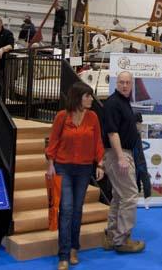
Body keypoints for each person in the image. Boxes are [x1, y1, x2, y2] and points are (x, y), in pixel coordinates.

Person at [46, 82, 104, 270]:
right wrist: (50, 165)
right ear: (77, 97)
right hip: (63, 168)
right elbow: (53, 142)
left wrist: (100, 163)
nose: (90, 99)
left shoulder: (93, 117)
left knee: (77, 210)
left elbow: (97, 142)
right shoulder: (62, 117)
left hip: (84, 169)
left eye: (91, 96)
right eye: (87, 96)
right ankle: (63, 255)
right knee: (67, 209)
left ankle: (73, 248)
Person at [102, 71, 145, 253]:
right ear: (116, 83)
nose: (125, 85)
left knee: (120, 196)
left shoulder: (123, 102)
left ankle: (112, 236)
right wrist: (120, 157)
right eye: (122, 82)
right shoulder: (113, 103)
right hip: (118, 154)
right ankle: (122, 239)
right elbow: (112, 132)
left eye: (128, 82)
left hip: (122, 153)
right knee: (130, 195)